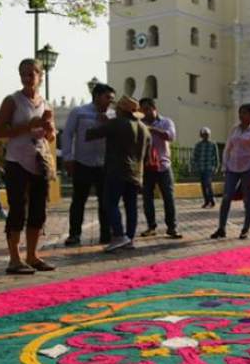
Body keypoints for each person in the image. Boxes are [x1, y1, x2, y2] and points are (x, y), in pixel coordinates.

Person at [0, 58, 55, 275]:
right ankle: (14, 259)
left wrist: (48, 128)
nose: (28, 78)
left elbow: (52, 137)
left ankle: (32, 255)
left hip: (39, 162)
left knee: (39, 211)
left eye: (32, 74)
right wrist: (25, 127)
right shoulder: (13, 101)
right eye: (24, 74)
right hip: (17, 162)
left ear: (40, 76)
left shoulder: (46, 104)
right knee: (18, 209)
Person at [86, 96, 151, 252]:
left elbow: (91, 134)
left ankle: (119, 235)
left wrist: (101, 121)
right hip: (136, 173)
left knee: (110, 203)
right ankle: (129, 239)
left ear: (121, 110)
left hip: (117, 170)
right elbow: (147, 157)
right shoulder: (145, 129)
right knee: (131, 207)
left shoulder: (117, 123)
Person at [61, 83, 115, 247]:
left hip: (104, 164)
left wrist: (108, 124)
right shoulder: (79, 112)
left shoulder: (113, 115)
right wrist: (68, 158)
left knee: (105, 201)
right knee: (78, 200)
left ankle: (106, 234)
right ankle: (74, 234)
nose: (110, 102)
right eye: (108, 98)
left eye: (112, 99)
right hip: (82, 163)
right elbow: (68, 135)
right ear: (97, 96)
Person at [212, 104, 250, 240]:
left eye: (244, 113)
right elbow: (227, 148)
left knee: (247, 199)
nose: (241, 115)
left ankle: (245, 229)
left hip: (249, 168)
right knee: (226, 197)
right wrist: (224, 165)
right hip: (232, 168)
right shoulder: (234, 129)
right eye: (240, 113)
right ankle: (221, 228)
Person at [139, 98, 181, 239]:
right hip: (147, 167)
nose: (144, 112)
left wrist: (153, 130)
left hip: (163, 166)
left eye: (146, 109)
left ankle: (172, 228)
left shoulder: (166, 122)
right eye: (142, 110)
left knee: (168, 197)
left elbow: (171, 136)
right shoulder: (140, 124)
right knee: (147, 198)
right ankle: (151, 227)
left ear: (154, 108)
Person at [191, 127, 220, 209]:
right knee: (203, 185)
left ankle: (211, 200)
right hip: (201, 168)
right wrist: (195, 166)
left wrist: (216, 167)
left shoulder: (213, 144)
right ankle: (206, 201)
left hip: (209, 168)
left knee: (208, 183)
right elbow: (195, 156)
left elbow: (216, 157)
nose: (206, 136)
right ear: (201, 135)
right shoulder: (198, 145)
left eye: (207, 134)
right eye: (204, 134)